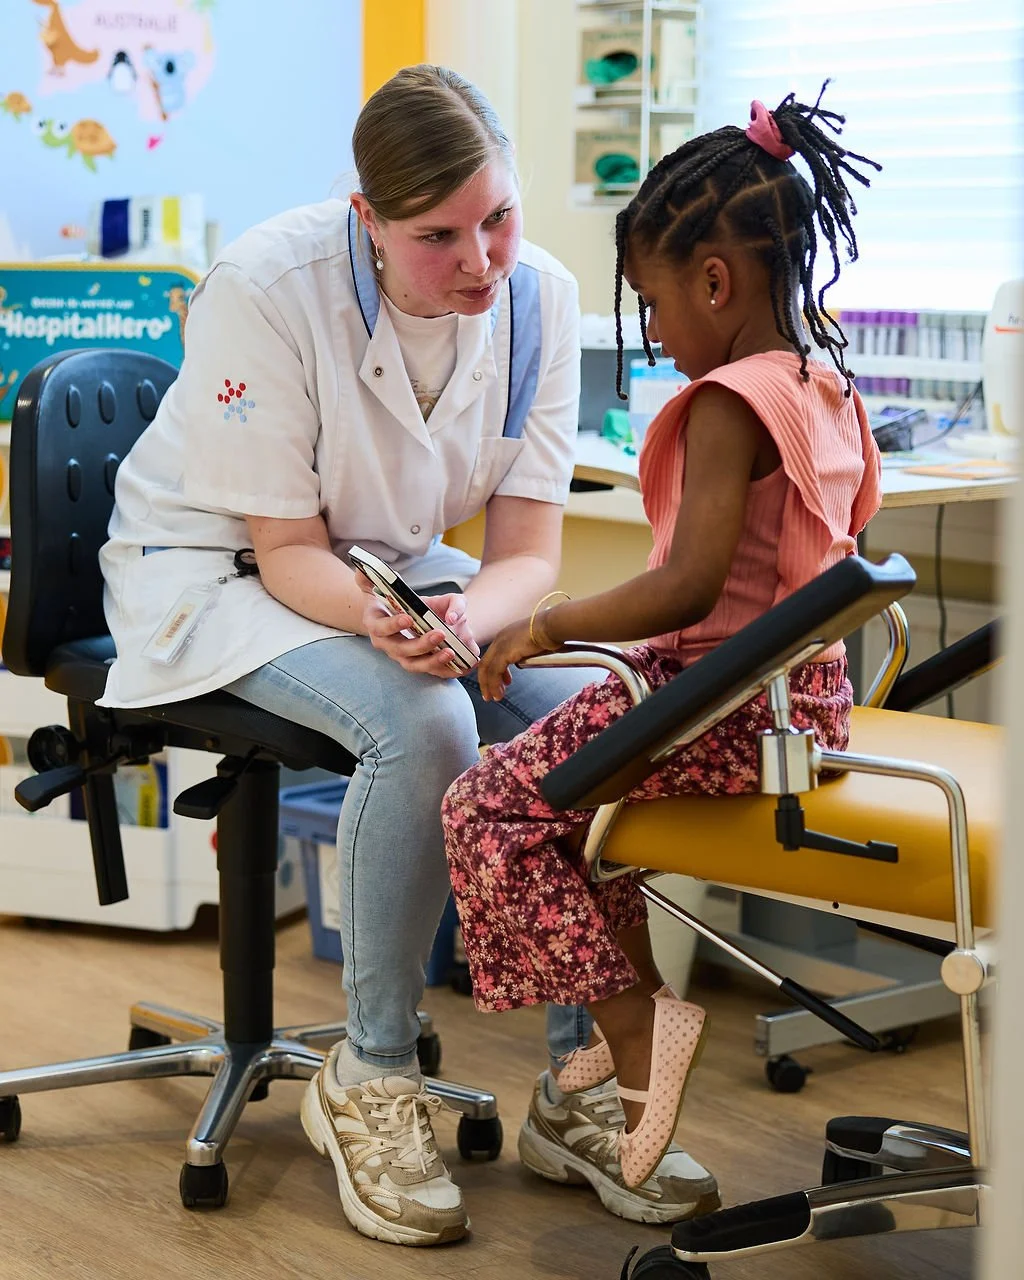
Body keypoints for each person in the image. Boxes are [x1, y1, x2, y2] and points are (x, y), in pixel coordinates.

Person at [98, 64, 715, 1246]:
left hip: (395, 570)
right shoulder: (268, 286)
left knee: (597, 707)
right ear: (366, 219)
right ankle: (370, 1076)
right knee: (423, 724)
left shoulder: (536, 297)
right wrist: (398, 626)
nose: (481, 259)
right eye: (438, 237)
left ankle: (580, 1083)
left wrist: (470, 621)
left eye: (498, 217)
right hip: (216, 574)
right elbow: (283, 550)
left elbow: (527, 547)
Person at [442, 85, 884, 1192]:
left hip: (721, 704)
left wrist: (544, 625)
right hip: (800, 702)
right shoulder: (824, 383)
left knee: (486, 807)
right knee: (589, 817)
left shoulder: (731, 401)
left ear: (715, 283)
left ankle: (637, 1032)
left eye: (651, 304)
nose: (655, 333)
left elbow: (687, 591)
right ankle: (615, 1027)